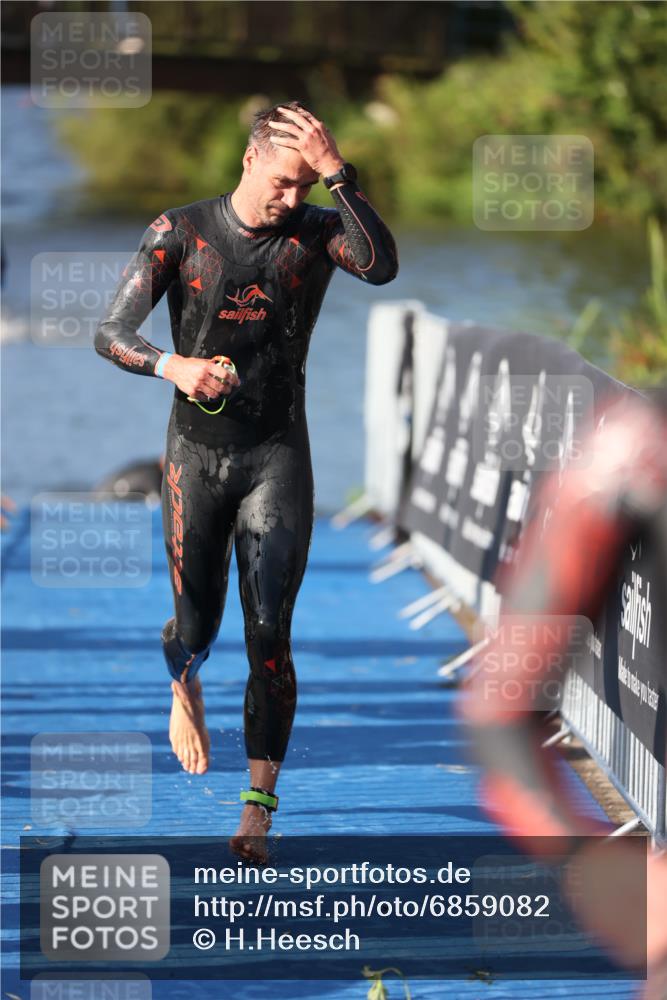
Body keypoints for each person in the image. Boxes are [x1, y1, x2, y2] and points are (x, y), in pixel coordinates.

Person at [95, 101, 398, 862]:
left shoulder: (318, 232)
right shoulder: (181, 232)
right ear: (248, 160)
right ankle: (182, 683)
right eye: (285, 183)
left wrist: (338, 175)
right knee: (196, 629)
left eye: (307, 186)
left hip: (275, 456)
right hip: (195, 459)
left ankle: (257, 805)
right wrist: (175, 366)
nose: (292, 200)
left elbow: (382, 265)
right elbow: (110, 332)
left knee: (270, 637)